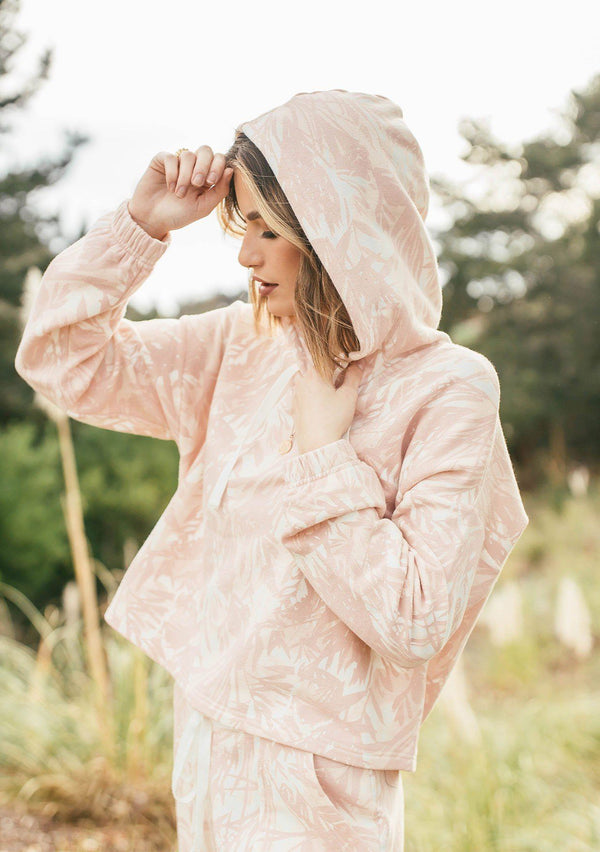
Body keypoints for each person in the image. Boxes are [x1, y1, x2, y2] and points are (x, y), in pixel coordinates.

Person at [15, 89, 529, 851]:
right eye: (242, 224)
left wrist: (323, 454)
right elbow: (64, 364)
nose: (245, 254)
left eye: (266, 228)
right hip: (208, 741)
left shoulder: (449, 388)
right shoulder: (243, 344)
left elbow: (415, 617)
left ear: (329, 233)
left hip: (321, 786)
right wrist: (141, 227)